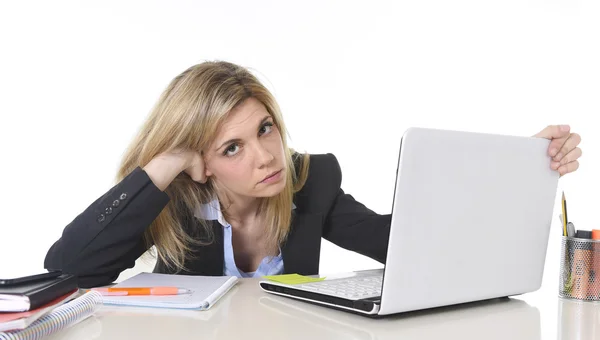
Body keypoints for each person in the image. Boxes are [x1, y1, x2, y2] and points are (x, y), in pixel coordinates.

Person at [44, 61, 583, 288]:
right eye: (232, 147)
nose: (266, 155)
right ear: (201, 164)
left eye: (265, 128)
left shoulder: (310, 179)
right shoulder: (175, 203)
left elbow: (404, 242)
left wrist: (509, 173)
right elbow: (68, 268)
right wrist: (161, 167)